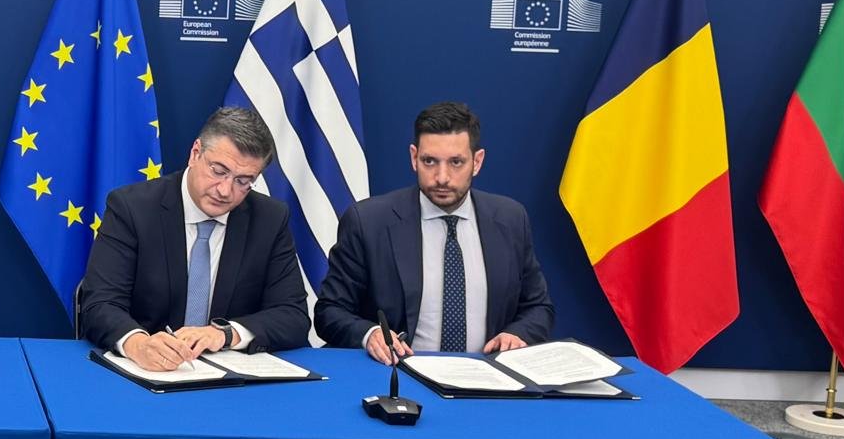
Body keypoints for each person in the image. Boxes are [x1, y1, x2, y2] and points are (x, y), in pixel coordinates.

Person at [314, 100, 554, 364]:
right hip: (400, 373)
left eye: (456, 162)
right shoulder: (368, 222)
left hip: (486, 377)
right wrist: (370, 334)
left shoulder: (510, 219)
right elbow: (329, 311)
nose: (442, 177)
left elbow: (538, 307)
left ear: (477, 162)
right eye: (429, 161)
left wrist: (516, 334)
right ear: (414, 158)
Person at [79, 105, 310, 371]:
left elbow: (293, 315)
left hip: (228, 382)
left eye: (243, 181)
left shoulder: (269, 219)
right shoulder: (132, 208)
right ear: (195, 153)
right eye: (219, 171)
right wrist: (138, 344)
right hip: (145, 373)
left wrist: (226, 334)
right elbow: (100, 303)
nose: (225, 191)